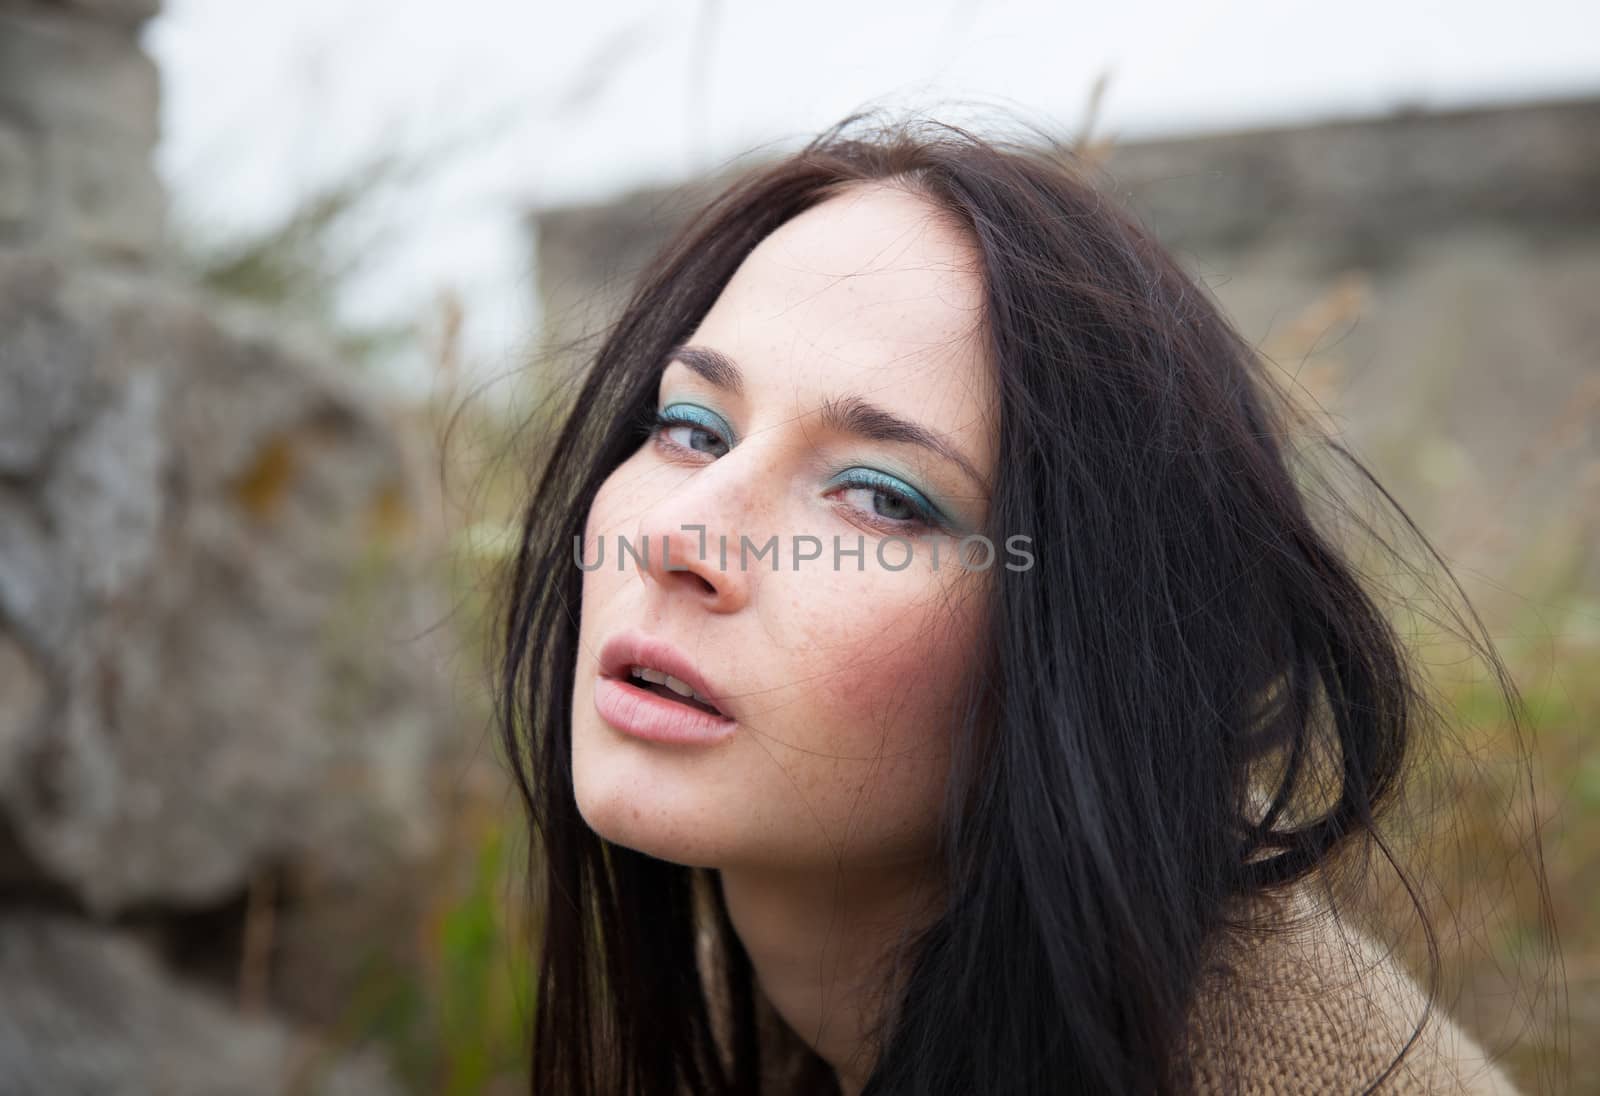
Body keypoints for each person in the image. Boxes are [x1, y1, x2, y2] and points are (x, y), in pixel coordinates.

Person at [495, 114, 1553, 1094]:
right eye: (691, 427)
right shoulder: (739, 990)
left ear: (1073, 655)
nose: (678, 536)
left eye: (879, 498)